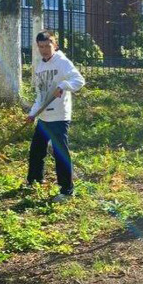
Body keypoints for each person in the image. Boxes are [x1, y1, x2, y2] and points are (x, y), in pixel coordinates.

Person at [27, 31, 85, 202]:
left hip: (59, 116)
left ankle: (67, 191)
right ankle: (35, 180)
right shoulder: (39, 66)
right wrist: (32, 114)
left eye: (47, 46)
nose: (44, 50)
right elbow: (41, 95)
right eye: (41, 47)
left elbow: (79, 80)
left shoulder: (62, 62)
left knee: (60, 153)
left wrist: (64, 85)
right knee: (36, 151)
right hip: (43, 117)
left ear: (55, 45)